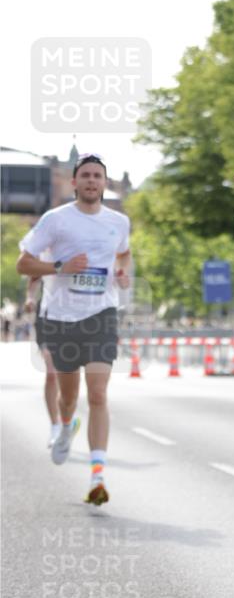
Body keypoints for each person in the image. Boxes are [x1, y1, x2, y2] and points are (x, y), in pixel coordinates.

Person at [16, 153, 131, 506]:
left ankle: (98, 476)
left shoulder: (119, 221)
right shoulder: (56, 220)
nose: (92, 181)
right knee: (68, 396)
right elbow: (24, 263)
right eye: (86, 175)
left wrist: (122, 272)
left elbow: (123, 254)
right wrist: (59, 266)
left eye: (98, 175)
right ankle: (66, 425)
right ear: (74, 183)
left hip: (101, 314)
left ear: (105, 183)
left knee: (97, 394)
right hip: (62, 318)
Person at [24, 275, 67, 449]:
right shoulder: (47, 250)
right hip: (48, 318)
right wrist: (30, 297)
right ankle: (55, 426)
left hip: (80, 317)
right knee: (51, 374)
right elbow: (34, 276)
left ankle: (66, 420)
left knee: (68, 375)